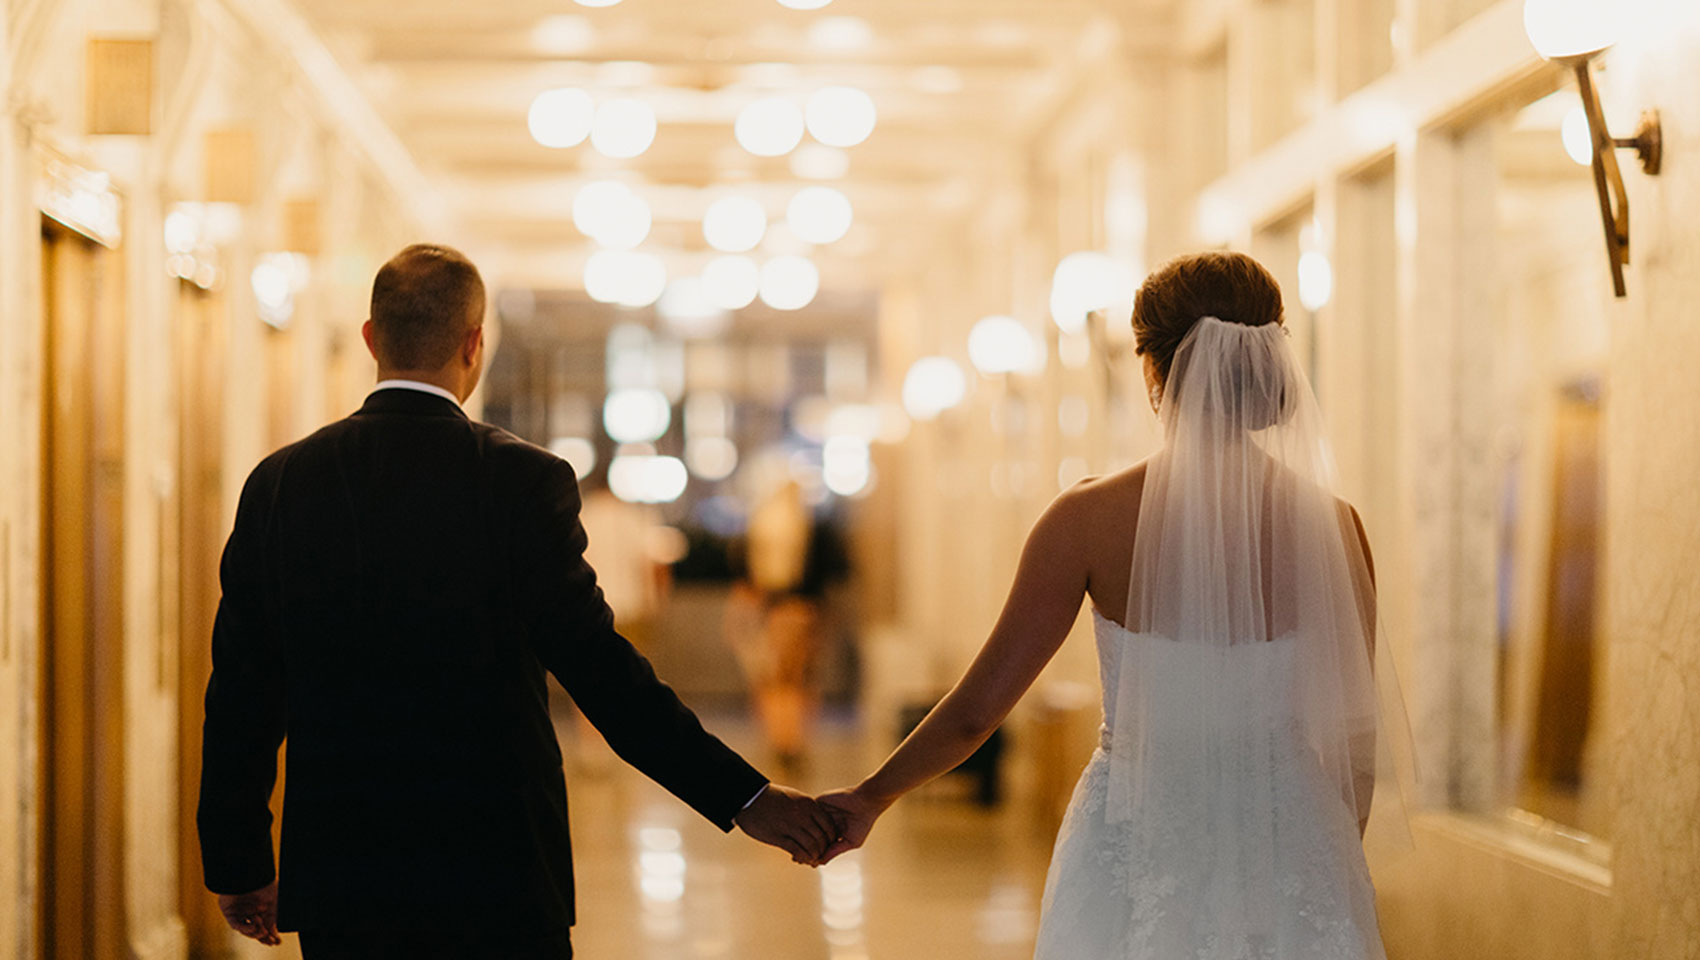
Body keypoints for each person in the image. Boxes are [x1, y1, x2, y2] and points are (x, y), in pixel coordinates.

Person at [196, 244, 837, 959]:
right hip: (497, 869)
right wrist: (746, 799)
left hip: (346, 872)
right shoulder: (521, 481)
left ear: (372, 337)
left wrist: (239, 862)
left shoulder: (282, 482)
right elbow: (601, 671)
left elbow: (242, 690)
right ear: (476, 345)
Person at [819, 252, 1397, 958]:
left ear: (1153, 371)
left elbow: (977, 712)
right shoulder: (1335, 526)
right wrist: (1321, 859)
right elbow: (1354, 741)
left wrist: (872, 796)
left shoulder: (1087, 520)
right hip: (1291, 837)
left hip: (1134, 838)